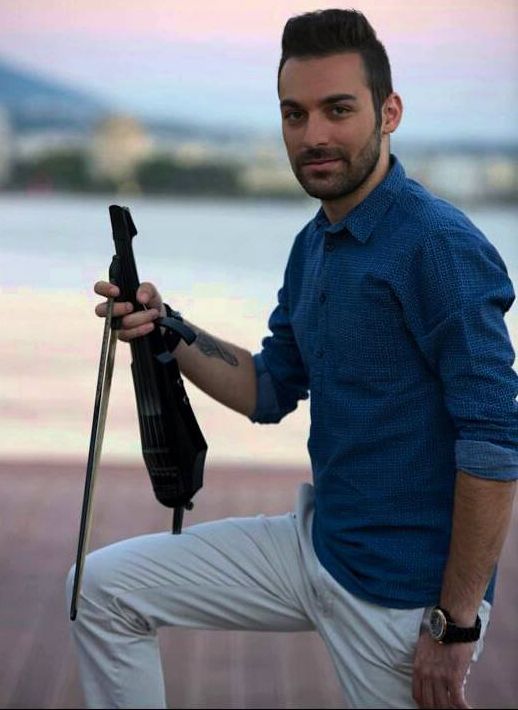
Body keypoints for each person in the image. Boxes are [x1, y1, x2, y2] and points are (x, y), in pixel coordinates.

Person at [67, 9, 518, 709]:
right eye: (294, 114)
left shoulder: (436, 245)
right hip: (319, 544)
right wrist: (164, 328)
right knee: (101, 589)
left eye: (338, 109)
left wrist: (455, 625)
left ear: (389, 112)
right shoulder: (314, 247)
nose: (313, 136)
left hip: (402, 601)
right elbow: (268, 387)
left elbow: (494, 439)